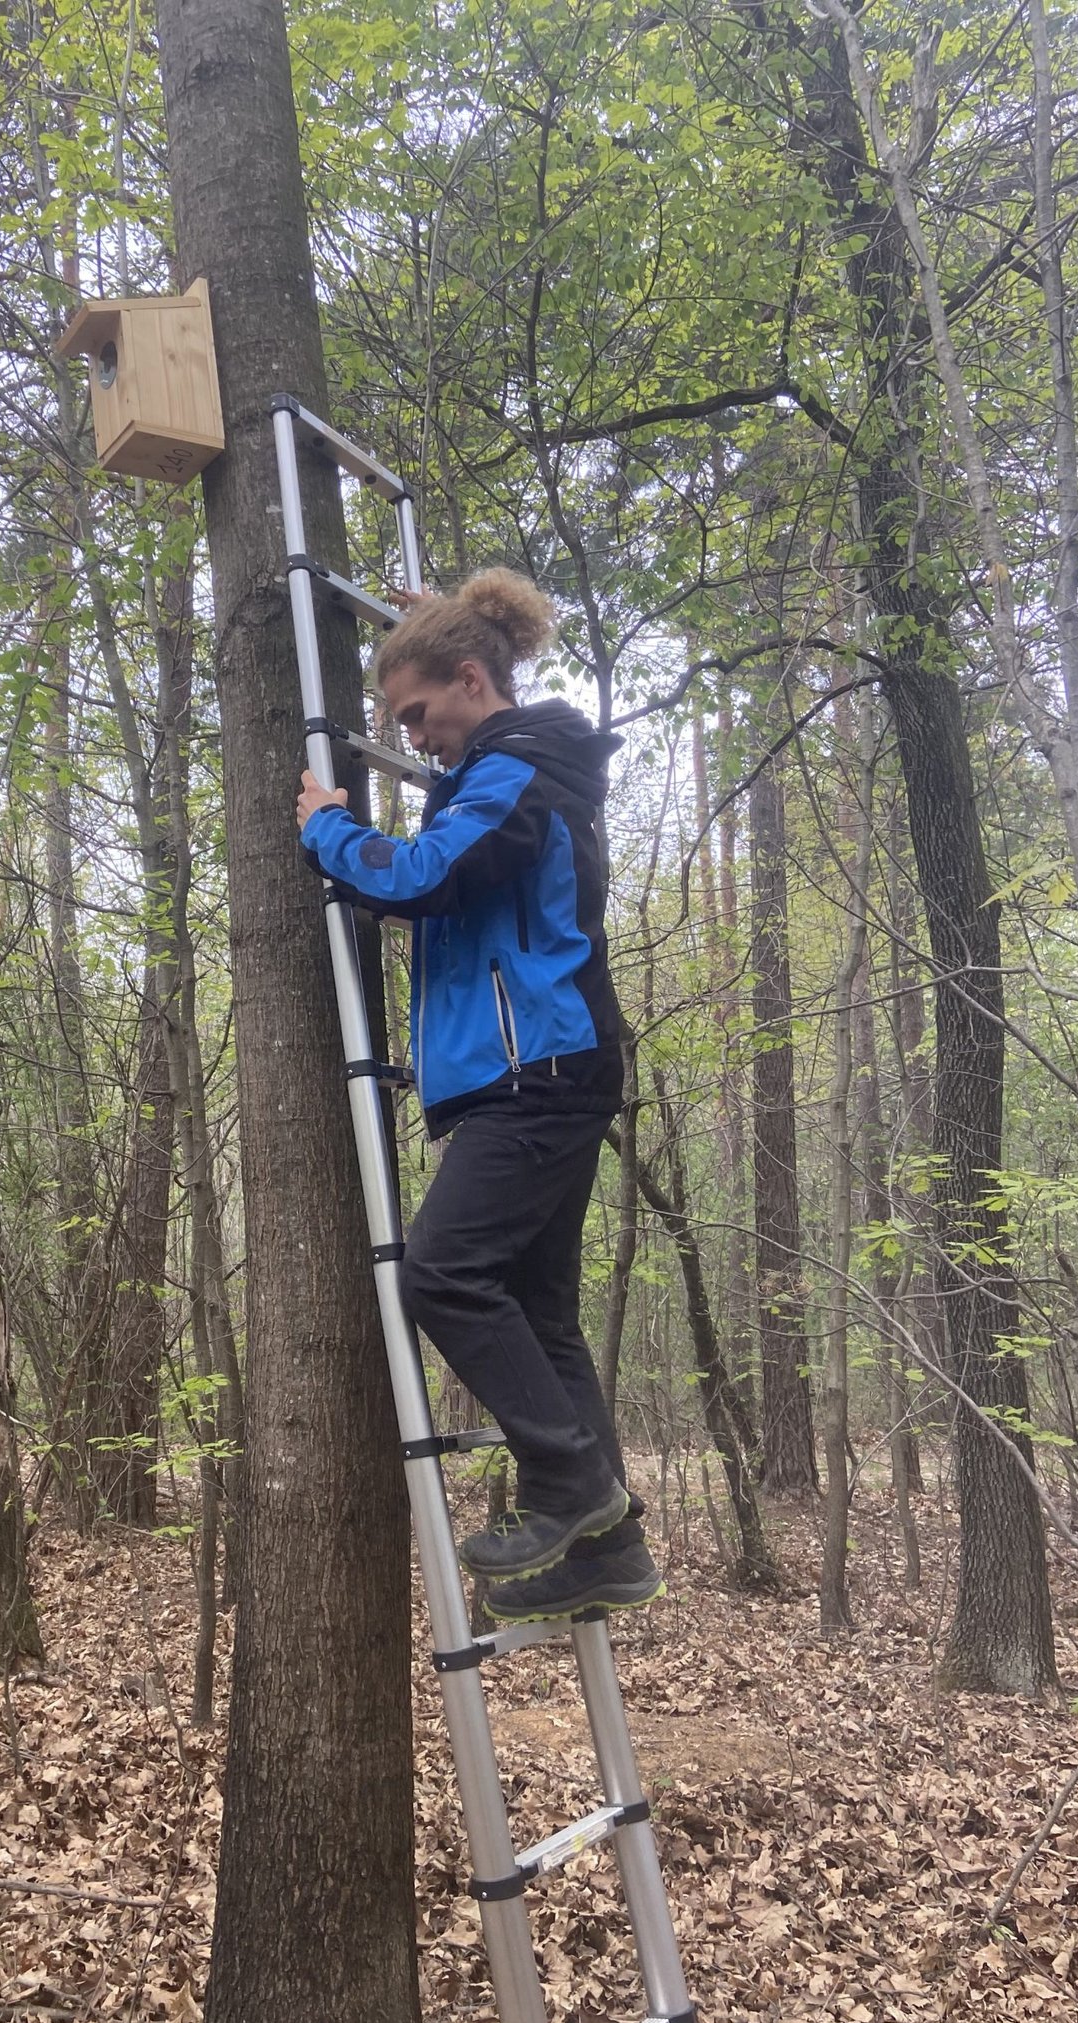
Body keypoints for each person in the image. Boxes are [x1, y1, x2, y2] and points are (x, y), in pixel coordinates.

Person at [295, 568, 661, 1624]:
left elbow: (423, 876)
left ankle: (572, 1485)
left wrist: (327, 830)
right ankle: (608, 1553)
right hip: (533, 1069)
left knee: (444, 1275)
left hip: (536, 1071)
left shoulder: (519, 770)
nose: (412, 738)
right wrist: (431, 613)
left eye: (418, 714)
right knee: (539, 1311)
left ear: (470, 679)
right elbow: (455, 865)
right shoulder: (501, 770)